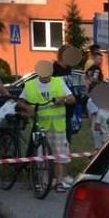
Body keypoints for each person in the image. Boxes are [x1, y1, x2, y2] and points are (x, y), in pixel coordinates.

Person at [19, 60, 76, 192]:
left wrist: (63, 99)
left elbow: (72, 99)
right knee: (40, 156)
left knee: (59, 155)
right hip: (41, 125)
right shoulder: (29, 85)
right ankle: (43, 182)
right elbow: (20, 102)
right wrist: (28, 108)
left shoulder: (58, 82)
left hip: (58, 125)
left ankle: (59, 182)